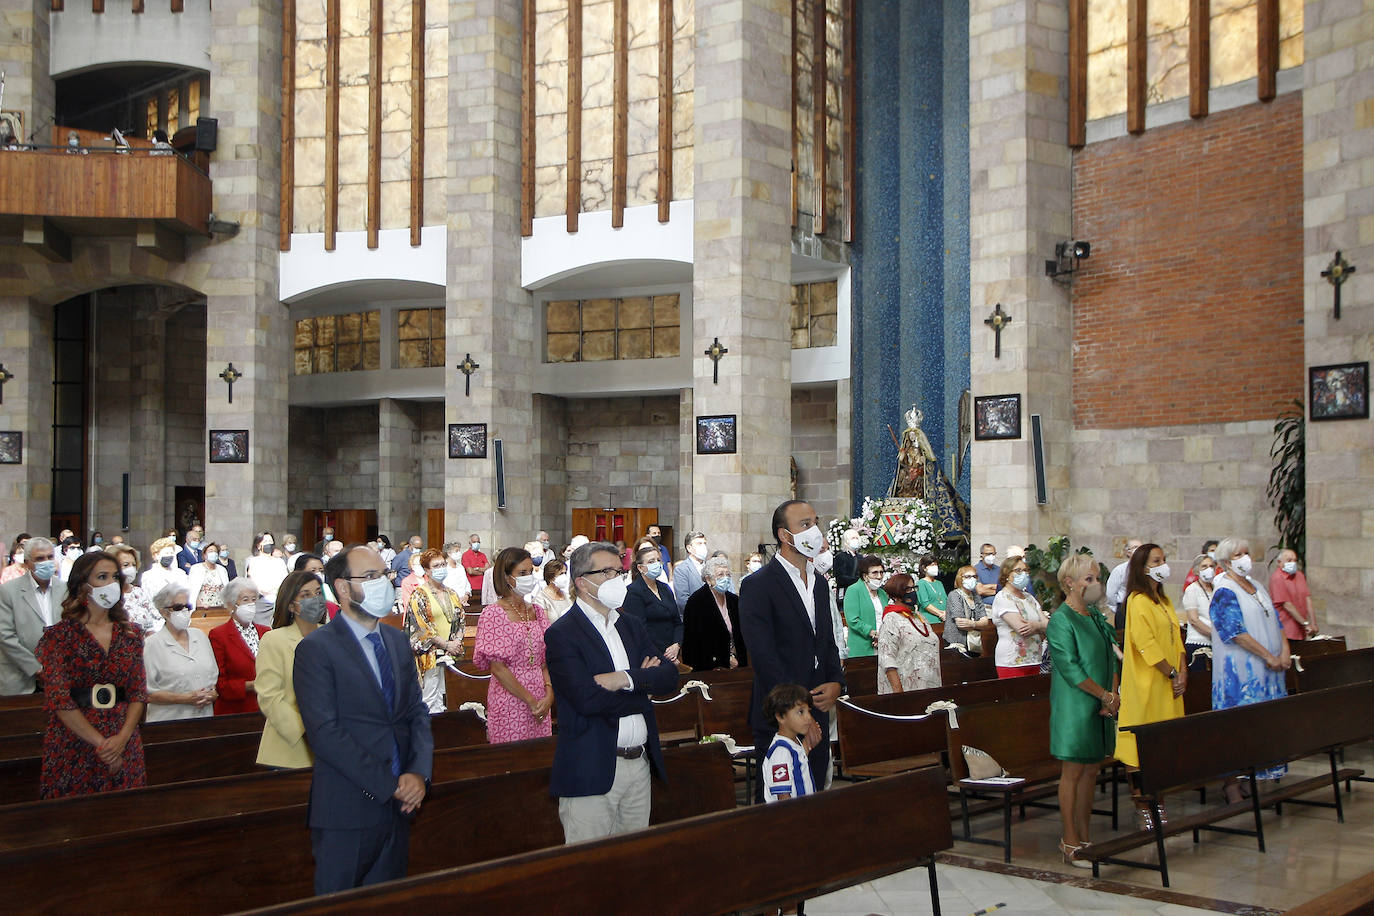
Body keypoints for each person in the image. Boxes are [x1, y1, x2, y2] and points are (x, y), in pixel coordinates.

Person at [294, 544, 433, 894]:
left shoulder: (396, 639)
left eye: (384, 576)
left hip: (401, 806)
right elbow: (325, 732)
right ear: (342, 587)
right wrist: (390, 786)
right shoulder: (317, 648)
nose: (382, 584)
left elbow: (415, 711)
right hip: (349, 806)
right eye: (370, 577)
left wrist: (418, 773)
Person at [544, 541, 678, 843]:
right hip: (592, 766)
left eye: (619, 571)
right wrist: (643, 686)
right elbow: (586, 699)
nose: (617, 579)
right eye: (607, 572)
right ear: (581, 581)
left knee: (634, 864)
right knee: (590, 868)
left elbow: (669, 676)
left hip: (639, 764)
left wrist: (625, 679)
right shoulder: (563, 633)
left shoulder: (629, 624)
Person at [738, 500, 844, 795]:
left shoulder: (820, 584)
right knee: (779, 808)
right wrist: (798, 713)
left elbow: (827, 643)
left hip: (818, 709)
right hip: (780, 715)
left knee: (814, 803)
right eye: (805, 525)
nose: (815, 531)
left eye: (815, 522)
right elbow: (763, 655)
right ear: (785, 536)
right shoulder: (758, 585)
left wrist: (836, 682)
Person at [34, 552, 147, 797]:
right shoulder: (59, 636)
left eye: (115, 577)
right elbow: (59, 699)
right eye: (102, 577)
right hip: (76, 739)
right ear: (83, 587)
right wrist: (102, 745)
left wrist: (122, 739)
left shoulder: (130, 634)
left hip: (122, 733)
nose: (111, 583)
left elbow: (138, 692)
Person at [1046, 553, 1120, 865]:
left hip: (1101, 702)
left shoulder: (1095, 616)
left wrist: (1113, 694)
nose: (1095, 584)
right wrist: (1104, 695)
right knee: (1073, 771)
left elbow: (1109, 656)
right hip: (1075, 705)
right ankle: (1069, 839)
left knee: (1092, 769)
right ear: (1069, 584)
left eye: (1096, 578)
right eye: (1088, 579)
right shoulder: (1062, 620)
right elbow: (1071, 668)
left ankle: (1086, 836)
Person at [1211, 537, 1290, 799]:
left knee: (1262, 728)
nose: (1246, 558)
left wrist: (1284, 652)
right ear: (1225, 562)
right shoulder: (1224, 590)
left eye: (1247, 552)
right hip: (1241, 674)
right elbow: (1235, 632)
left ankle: (1253, 779)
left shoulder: (1256, 585)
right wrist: (1268, 655)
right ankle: (1232, 785)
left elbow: (1276, 621)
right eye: (1238, 554)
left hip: (1270, 671)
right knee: (1238, 729)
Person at [1115, 543, 1186, 828]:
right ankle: (1143, 804)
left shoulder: (1165, 602)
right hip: (1146, 685)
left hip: (1168, 686)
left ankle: (1161, 802)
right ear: (1144, 567)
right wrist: (1171, 673)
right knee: (1139, 747)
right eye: (1157, 560)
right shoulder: (1137, 600)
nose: (1163, 564)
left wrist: (1182, 672)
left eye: (1164, 559)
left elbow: (1177, 639)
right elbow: (1144, 643)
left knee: (1164, 747)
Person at [473, 547, 553, 742]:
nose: (529, 577)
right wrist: (530, 701)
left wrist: (549, 694)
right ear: (507, 577)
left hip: (540, 696)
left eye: (531, 572)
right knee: (512, 758)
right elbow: (498, 669)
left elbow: (544, 661)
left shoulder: (537, 611)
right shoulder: (494, 613)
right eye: (522, 573)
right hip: (511, 698)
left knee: (540, 758)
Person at [255, 571, 327, 769]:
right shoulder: (274, 640)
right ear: (291, 605)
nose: (315, 599)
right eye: (305, 595)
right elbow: (269, 696)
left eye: (318, 593)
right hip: (291, 746)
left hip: (333, 745)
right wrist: (307, 730)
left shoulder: (332, 636)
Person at [142, 584, 218, 722]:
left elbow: (212, 678)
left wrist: (212, 694)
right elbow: (147, 693)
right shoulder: (152, 644)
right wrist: (185, 698)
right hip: (169, 722)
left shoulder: (200, 637)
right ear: (163, 612)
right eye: (178, 608)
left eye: (187, 607)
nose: (183, 612)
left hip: (204, 719)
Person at [0, 538, 67, 694]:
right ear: (27, 563)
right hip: (20, 679)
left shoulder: (66, 589)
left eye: (50, 557)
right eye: (40, 559)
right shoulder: (8, 591)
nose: (46, 562)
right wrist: (37, 669)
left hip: (60, 676)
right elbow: (5, 636)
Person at [406, 548, 466, 714]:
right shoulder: (419, 595)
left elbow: (460, 620)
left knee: (448, 698)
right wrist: (445, 644)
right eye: (436, 566)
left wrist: (456, 642)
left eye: (443, 564)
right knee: (430, 700)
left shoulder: (451, 593)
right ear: (427, 570)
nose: (441, 568)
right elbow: (423, 628)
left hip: (450, 653)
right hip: (430, 654)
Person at [209, 579, 268, 715]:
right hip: (236, 711)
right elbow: (220, 684)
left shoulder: (265, 632)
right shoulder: (219, 635)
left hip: (266, 707)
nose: (251, 604)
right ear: (231, 605)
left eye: (254, 599)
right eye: (245, 600)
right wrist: (251, 685)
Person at [875, 573, 941, 693]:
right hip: (906, 688)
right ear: (896, 594)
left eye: (914, 588)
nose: (913, 592)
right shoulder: (891, 619)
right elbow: (887, 658)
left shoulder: (920, 617)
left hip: (929, 684)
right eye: (908, 589)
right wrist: (898, 691)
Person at [681, 554, 747, 670]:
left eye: (728, 574)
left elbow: (741, 635)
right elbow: (696, 641)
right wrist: (726, 658)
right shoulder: (697, 602)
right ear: (708, 579)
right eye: (720, 575)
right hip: (709, 666)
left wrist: (735, 655)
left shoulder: (734, 600)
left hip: (737, 664)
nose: (725, 578)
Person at [990, 555, 1047, 678]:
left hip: (1034, 658)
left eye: (1026, 570)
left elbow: (1048, 625)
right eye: (1018, 570)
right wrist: (1040, 626)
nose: (1024, 574)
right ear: (1006, 574)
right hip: (1012, 661)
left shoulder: (1029, 598)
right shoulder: (1003, 597)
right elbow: (1022, 629)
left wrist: (1036, 625)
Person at [622, 544, 681, 661]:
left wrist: (676, 645)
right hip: (651, 654)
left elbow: (677, 622)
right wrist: (665, 655)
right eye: (651, 561)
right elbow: (640, 630)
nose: (656, 564)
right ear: (640, 568)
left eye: (658, 560)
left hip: (673, 650)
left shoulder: (665, 588)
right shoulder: (633, 591)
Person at [762, 683, 818, 802]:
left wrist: (808, 743)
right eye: (800, 712)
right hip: (791, 816)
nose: (808, 717)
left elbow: (798, 761)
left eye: (809, 711)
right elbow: (783, 796)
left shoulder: (793, 741)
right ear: (780, 717)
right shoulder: (781, 752)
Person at [107, 544, 161, 636]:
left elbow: (155, 617)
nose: (131, 568)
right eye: (125, 565)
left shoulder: (139, 592)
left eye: (133, 565)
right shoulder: (105, 595)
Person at [1269, 548, 1317, 640]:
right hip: (1287, 630)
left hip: (1301, 629)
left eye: (1295, 560)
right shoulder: (1277, 578)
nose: (1293, 563)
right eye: (1289, 560)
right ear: (1279, 562)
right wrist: (1305, 623)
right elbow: (1287, 605)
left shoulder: (1299, 576)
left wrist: (1313, 623)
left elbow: (1307, 599)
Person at [841, 555, 884, 659]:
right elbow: (852, 620)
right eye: (875, 573)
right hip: (862, 646)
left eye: (881, 572)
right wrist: (872, 633)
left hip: (882, 644)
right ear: (865, 576)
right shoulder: (854, 590)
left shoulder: (882, 593)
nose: (879, 576)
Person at [946, 564, 993, 654]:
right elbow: (961, 624)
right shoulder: (954, 595)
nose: (972, 579)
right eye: (968, 576)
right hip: (957, 642)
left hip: (973, 642)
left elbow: (985, 621)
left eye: (974, 576)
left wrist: (972, 623)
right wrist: (978, 624)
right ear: (960, 578)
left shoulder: (975, 595)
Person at [1182, 554, 1217, 670]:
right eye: (1204, 566)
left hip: (1216, 644)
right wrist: (1215, 634)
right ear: (1196, 570)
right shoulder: (1192, 589)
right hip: (1199, 643)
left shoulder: (1216, 588)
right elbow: (1194, 620)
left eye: (1211, 566)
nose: (1209, 569)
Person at [245, 532, 288, 626]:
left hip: (277, 601)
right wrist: (265, 591)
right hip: (261, 602)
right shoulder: (253, 561)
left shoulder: (279, 562)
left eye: (270, 541)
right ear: (258, 545)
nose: (268, 543)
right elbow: (253, 581)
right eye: (265, 541)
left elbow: (284, 579)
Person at [139, 537, 185, 610]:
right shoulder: (148, 576)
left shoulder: (180, 573)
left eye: (171, 553)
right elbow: (149, 598)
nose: (169, 556)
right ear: (156, 555)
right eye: (166, 553)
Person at [1105, 538, 1142, 628]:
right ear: (1128, 552)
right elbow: (1110, 593)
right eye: (1135, 547)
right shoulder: (1120, 570)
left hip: (1142, 609)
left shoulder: (1146, 570)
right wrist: (1119, 609)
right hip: (1124, 609)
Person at [187, 541, 230, 612]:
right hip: (202, 607)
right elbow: (192, 589)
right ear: (204, 555)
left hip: (220, 607)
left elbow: (227, 589)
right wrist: (199, 604)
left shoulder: (222, 569)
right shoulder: (196, 568)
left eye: (216, 551)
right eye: (211, 551)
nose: (214, 553)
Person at [672, 531, 709, 613]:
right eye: (699, 543)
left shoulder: (710, 567)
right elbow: (682, 600)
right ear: (689, 548)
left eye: (704, 543)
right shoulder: (681, 569)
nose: (703, 546)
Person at [532, 557, 574, 622]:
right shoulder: (540, 599)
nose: (564, 577)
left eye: (565, 573)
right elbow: (544, 624)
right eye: (561, 574)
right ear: (551, 577)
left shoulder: (567, 596)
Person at [914, 553, 948, 626]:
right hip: (929, 620)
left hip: (944, 619)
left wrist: (946, 613)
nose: (935, 567)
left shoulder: (939, 583)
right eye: (932, 565)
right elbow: (925, 603)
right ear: (924, 567)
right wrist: (940, 614)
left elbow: (945, 599)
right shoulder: (921, 583)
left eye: (936, 565)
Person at [832, 529, 864, 597]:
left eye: (857, 538)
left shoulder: (860, 557)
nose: (855, 540)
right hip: (845, 592)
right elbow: (840, 578)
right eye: (853, 538)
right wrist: (858, 581)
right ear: (846, 540)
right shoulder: (840, 557)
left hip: (859, 591)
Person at [974, 543, 1000, 610]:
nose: (991, 556)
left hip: (1000, 606)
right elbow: (980, 591)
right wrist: (997, 589)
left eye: (993, 554)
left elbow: (1005, 589)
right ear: (982, 555)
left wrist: (987, 586)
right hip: (984, 607)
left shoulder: (999, 570)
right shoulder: (975, 570)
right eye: (988, 554)